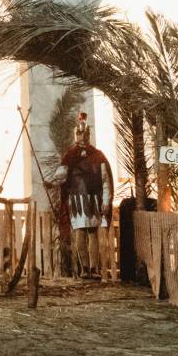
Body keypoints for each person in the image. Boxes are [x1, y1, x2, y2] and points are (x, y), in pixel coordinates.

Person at [59, 113, 112, 279]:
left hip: (93, 201)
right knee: (80, 233)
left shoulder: (98, 155)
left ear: (89, 135)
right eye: (79, 134)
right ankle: (85, 269)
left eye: (85, 134)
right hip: (77, 201)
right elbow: (62, 176)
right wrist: (55, 179)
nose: (82, 136)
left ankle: (94, 269)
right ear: (77, 135)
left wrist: (106, 201)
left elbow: (105, 180)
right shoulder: (70, 155)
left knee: (92, 233)